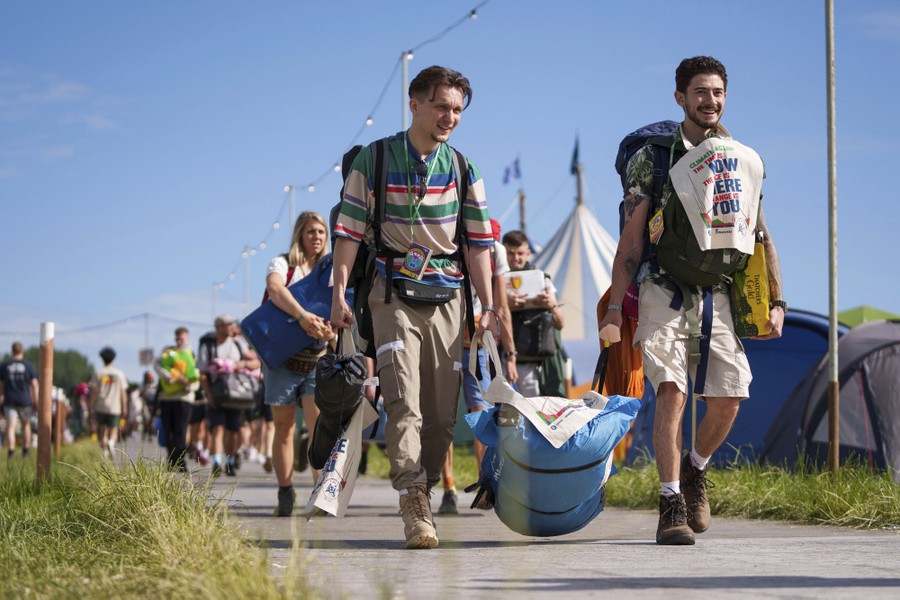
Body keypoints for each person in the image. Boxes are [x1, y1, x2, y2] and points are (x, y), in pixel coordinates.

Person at [597, 56, 785, 545]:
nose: (711, 101)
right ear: (680, 97)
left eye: (718, 92)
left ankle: (695, 467)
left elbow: (760, 235)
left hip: (718, 290)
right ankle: (670, 501)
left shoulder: (738, 161)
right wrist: (617, 306)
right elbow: (633, 240)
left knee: (729, 398)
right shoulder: (654, 158)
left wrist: (777, 300)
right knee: (671, 391)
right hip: (663, 286)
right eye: (701, 92)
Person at [331, 65, 497, 549]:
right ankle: (413, 500)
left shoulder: (466, 168)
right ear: (415, 104)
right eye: (442, 106)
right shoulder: (374, 158)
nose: (450, 117)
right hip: (391, 291)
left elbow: (479, 245)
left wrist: (489, 306)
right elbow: (348, 231)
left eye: (458, 110)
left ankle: (421, 481)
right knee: (403, 396)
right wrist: (338, 292)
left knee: (443, 414)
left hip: (448, 296)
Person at [439, 218, 517, 514]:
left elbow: (501, 306)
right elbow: (501, 306)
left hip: (476, 344)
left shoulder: (493, 248)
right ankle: (449, 486)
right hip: (449, 337)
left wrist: (508, 352)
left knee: (479, 416)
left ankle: (482, 484)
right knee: (446, 415)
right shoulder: (445, 238)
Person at [263, 211, 335, 517]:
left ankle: (320, 494)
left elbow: (337, 308)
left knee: (318, 427)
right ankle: (285, 490)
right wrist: (302, 316)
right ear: (299, 235)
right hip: (282, 358)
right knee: (284, 427)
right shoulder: (283, 264)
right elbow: (274, 289)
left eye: (321, 232)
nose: (316, 237)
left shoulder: (331, 270)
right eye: (310, 232)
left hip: (316, 358)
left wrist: (332, 333)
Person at [502, 229, 564, 396]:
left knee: (533, 410)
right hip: (502, 356)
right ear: (503, 252)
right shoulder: (495, 280)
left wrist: (552, 306)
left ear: (528, 253)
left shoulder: (543, 279)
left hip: (531, 358)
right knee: (505, 412)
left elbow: (560, 323)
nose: (516, 258)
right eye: (510, 253)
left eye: (520, 253)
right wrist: (504, 305)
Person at [197, 315, 261, 477]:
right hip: (217, 395)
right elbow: (203, 374)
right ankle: (217, 461)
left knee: (233, 431)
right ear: (219, 327)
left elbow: (256, 363)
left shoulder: (238, 344)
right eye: (228, 325)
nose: (232, 327)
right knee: (217, 428)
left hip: (236, 395)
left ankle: (230, 461)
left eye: (232, 325)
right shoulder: (208, 347)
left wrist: (243, 364)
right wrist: (209, 395)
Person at [154, 327, 201, 472]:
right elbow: (157, 365)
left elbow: (197, 374)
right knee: (169, 430)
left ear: (187, 338)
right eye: (177, 338)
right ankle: (171, 459)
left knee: (181, 430)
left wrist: (189, 385)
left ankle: (180, 461)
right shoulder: (167, 352)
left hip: (184, 398)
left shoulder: (192, 355)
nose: (179, 341)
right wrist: (168, 375)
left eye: (182, 338)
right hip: (167, 397)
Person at [88, 347, 128, 459]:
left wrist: (91, 405)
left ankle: (104, 451)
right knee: (114, 428)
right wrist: (124, 407)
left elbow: (94, 392)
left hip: (101, 405)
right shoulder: (119, 374)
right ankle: (111, 442)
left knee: (103, 430)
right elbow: (123, 392)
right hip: (115, 406)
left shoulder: (98, 373)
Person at [0, 341, 38, 459]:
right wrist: (36, 400)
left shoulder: (5, 365)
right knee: (25, 425)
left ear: (12, 351)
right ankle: (25, 451)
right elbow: (34, 385)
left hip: (10, 399)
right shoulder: (29, 365)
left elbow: (1, 384)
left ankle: (11, 451)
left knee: (11, 426)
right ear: (22, 351)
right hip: (24, 400)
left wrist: (1, 396)